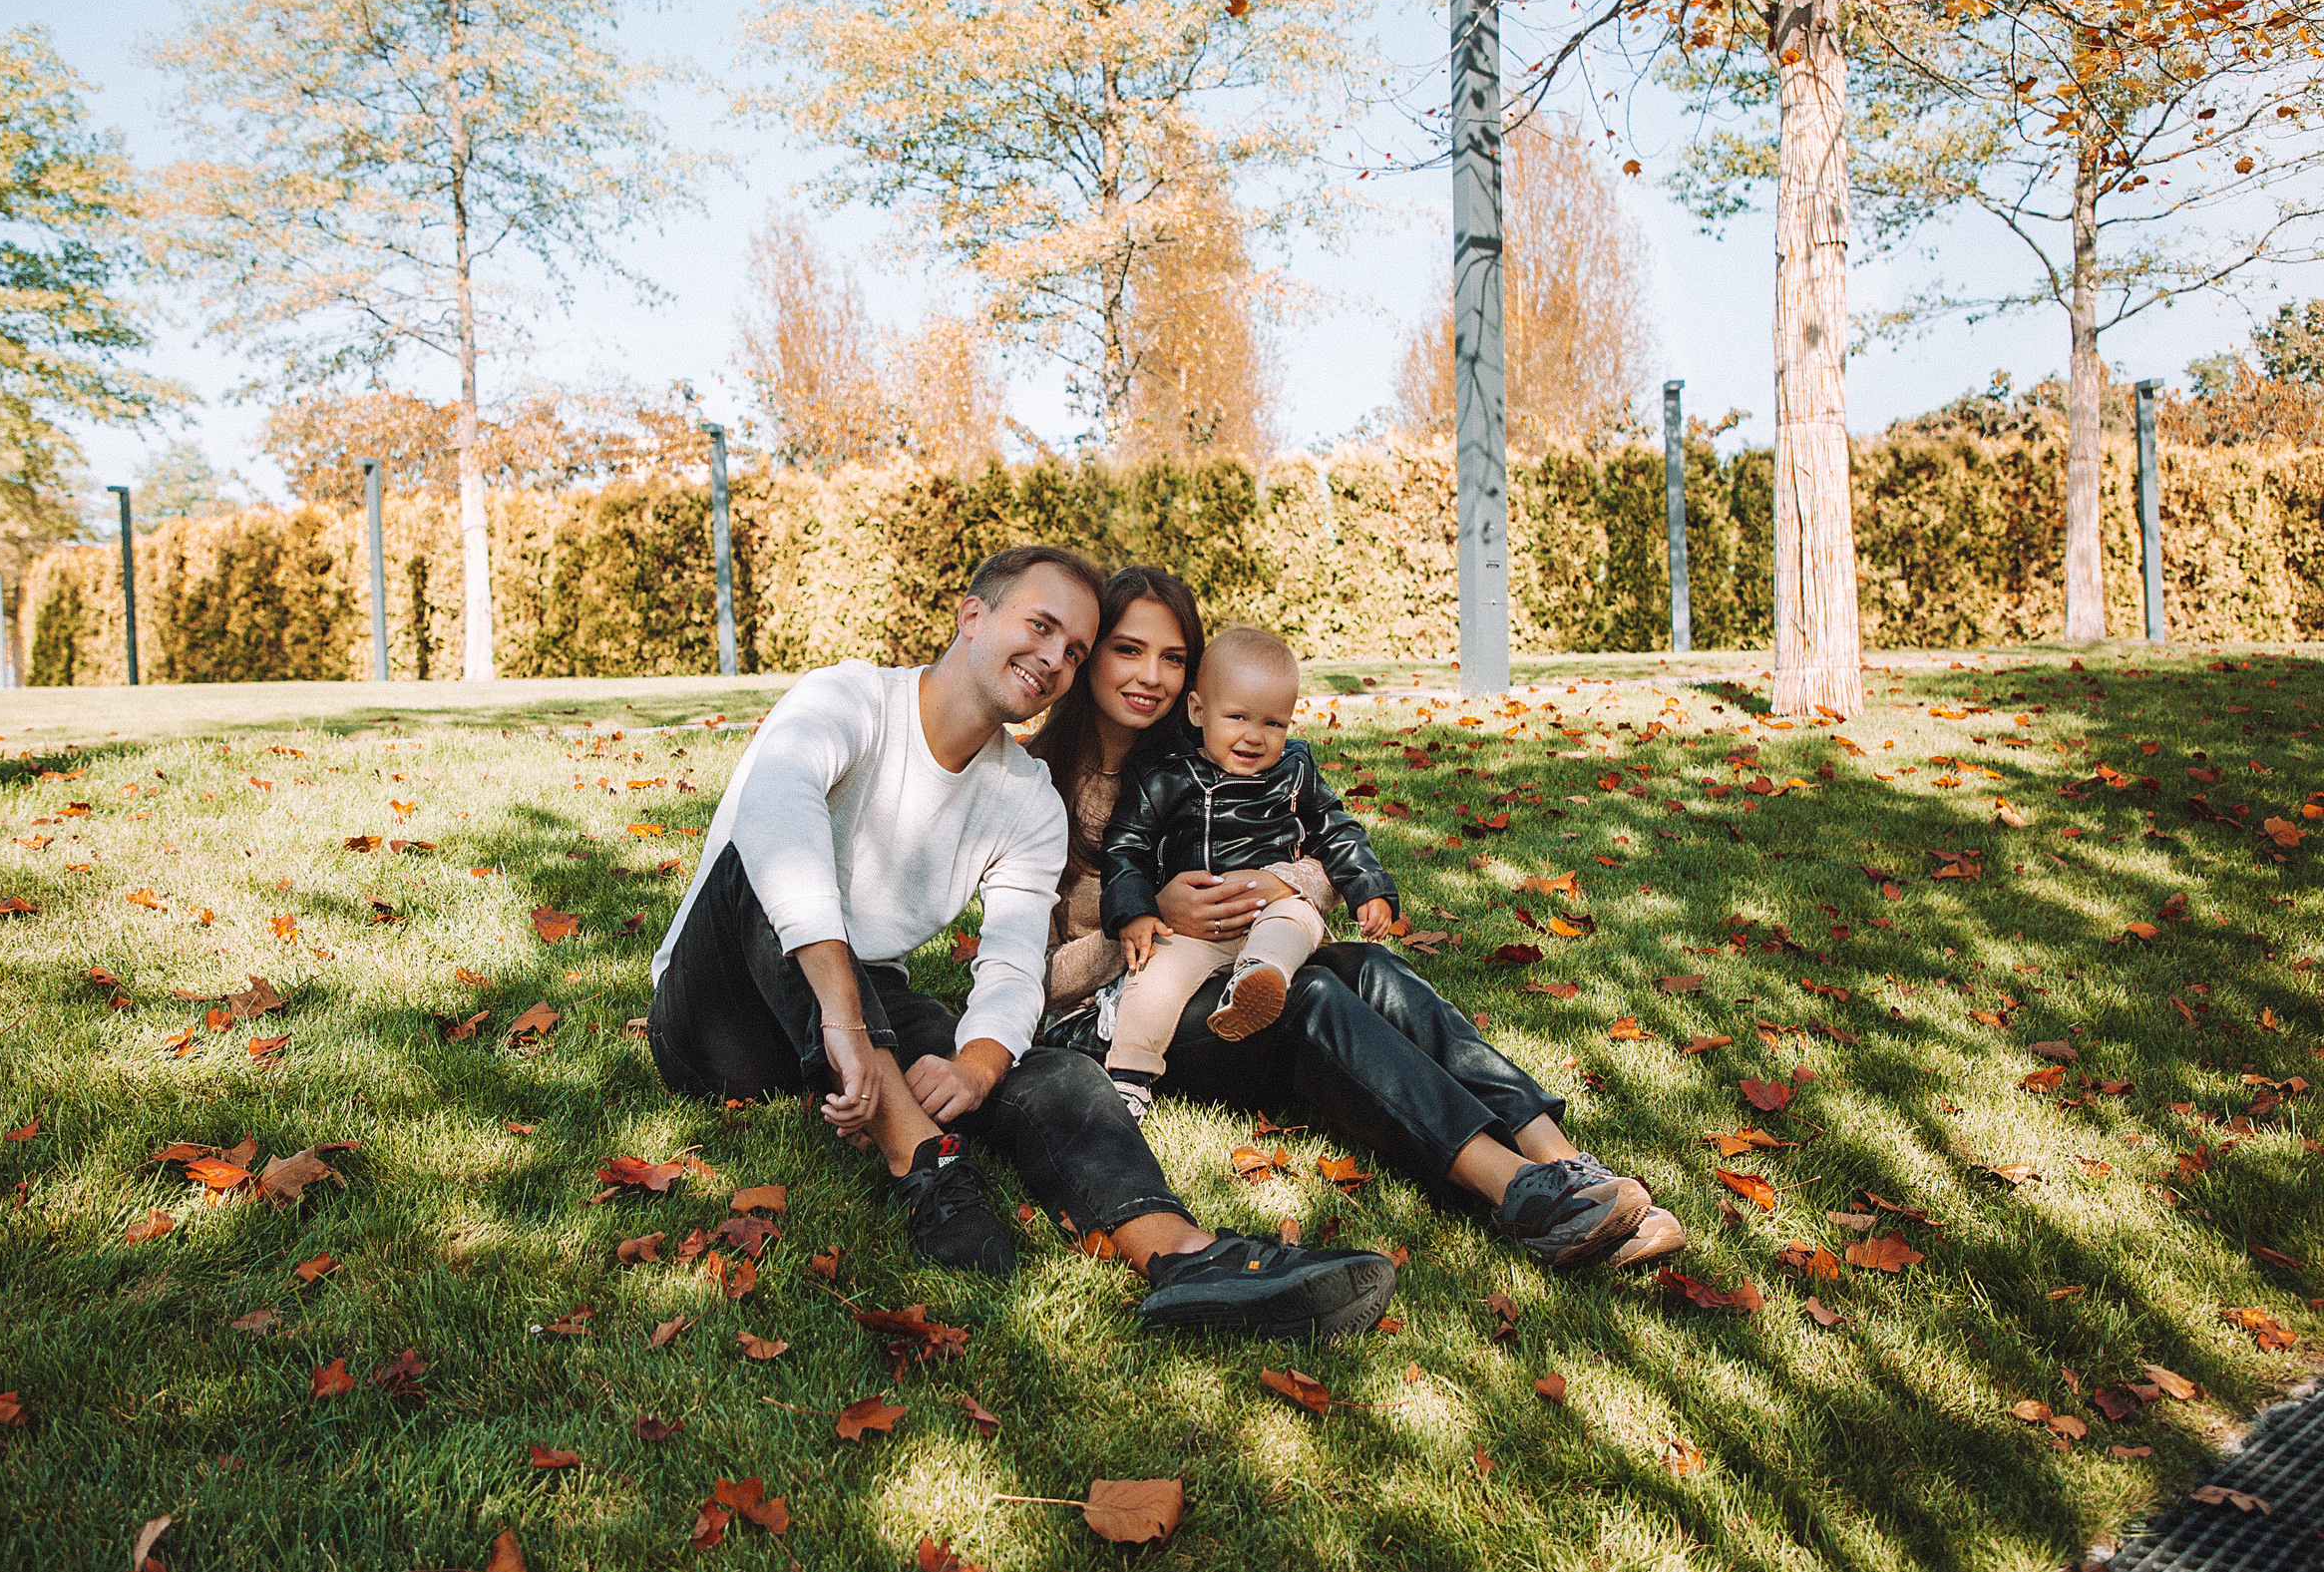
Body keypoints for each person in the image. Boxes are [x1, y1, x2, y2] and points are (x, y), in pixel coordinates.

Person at [647, 544, 1400, 1336]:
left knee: (1055, 1069)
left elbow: (1012, 961)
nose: (1053, 659)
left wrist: (978, 1063)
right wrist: (843, 1016)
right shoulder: (847, 697)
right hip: (715, 1021)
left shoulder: (1025, 797)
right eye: (1040, 626)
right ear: (973, 615)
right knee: (767, 871)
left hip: (868, 996)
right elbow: (777, 817)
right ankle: (925, 1165)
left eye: (1074, 650)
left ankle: (1184, 1256)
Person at [1027, 566, 1688, 1272]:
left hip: (1237, 963)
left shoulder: (1204, 748)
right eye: (1128, 649)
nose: (1149, 675)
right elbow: (1036, 976)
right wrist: (1160, 916)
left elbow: (1315, 857)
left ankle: (1564, 1161)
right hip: (1121, 1015)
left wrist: (1278, 880)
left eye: (1172, 656)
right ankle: (1518, 1190)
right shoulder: (1042, 781)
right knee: (1311, 995)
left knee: (1369, 966)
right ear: (1090, 652)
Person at [1098, 625, 1397, 1118]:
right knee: (1152, 981)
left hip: (1270, 909)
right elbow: (1127, 847)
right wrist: (1135, 911)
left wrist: (1368, 888)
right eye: (1236, 717)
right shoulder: (1165, 778)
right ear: (1198, 711)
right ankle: (1129, 1074)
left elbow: (1335, 828)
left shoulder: (1295, 769)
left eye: (1274, 724)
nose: (1254, 737)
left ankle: (1258, 980)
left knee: (1295, 919)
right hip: (1193, 924)